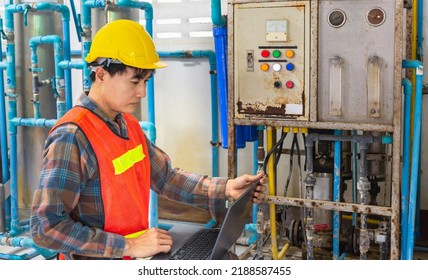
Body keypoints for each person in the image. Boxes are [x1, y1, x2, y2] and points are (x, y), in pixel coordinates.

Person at [30, 19, 266, 260]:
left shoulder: (127, 124)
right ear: (101, 74)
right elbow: (46, 227)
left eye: (145, 81)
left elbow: (165, 178)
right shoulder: (72, 136)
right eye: (134, 81)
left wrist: (225, 188)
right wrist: (128, 246)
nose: (142, 92)